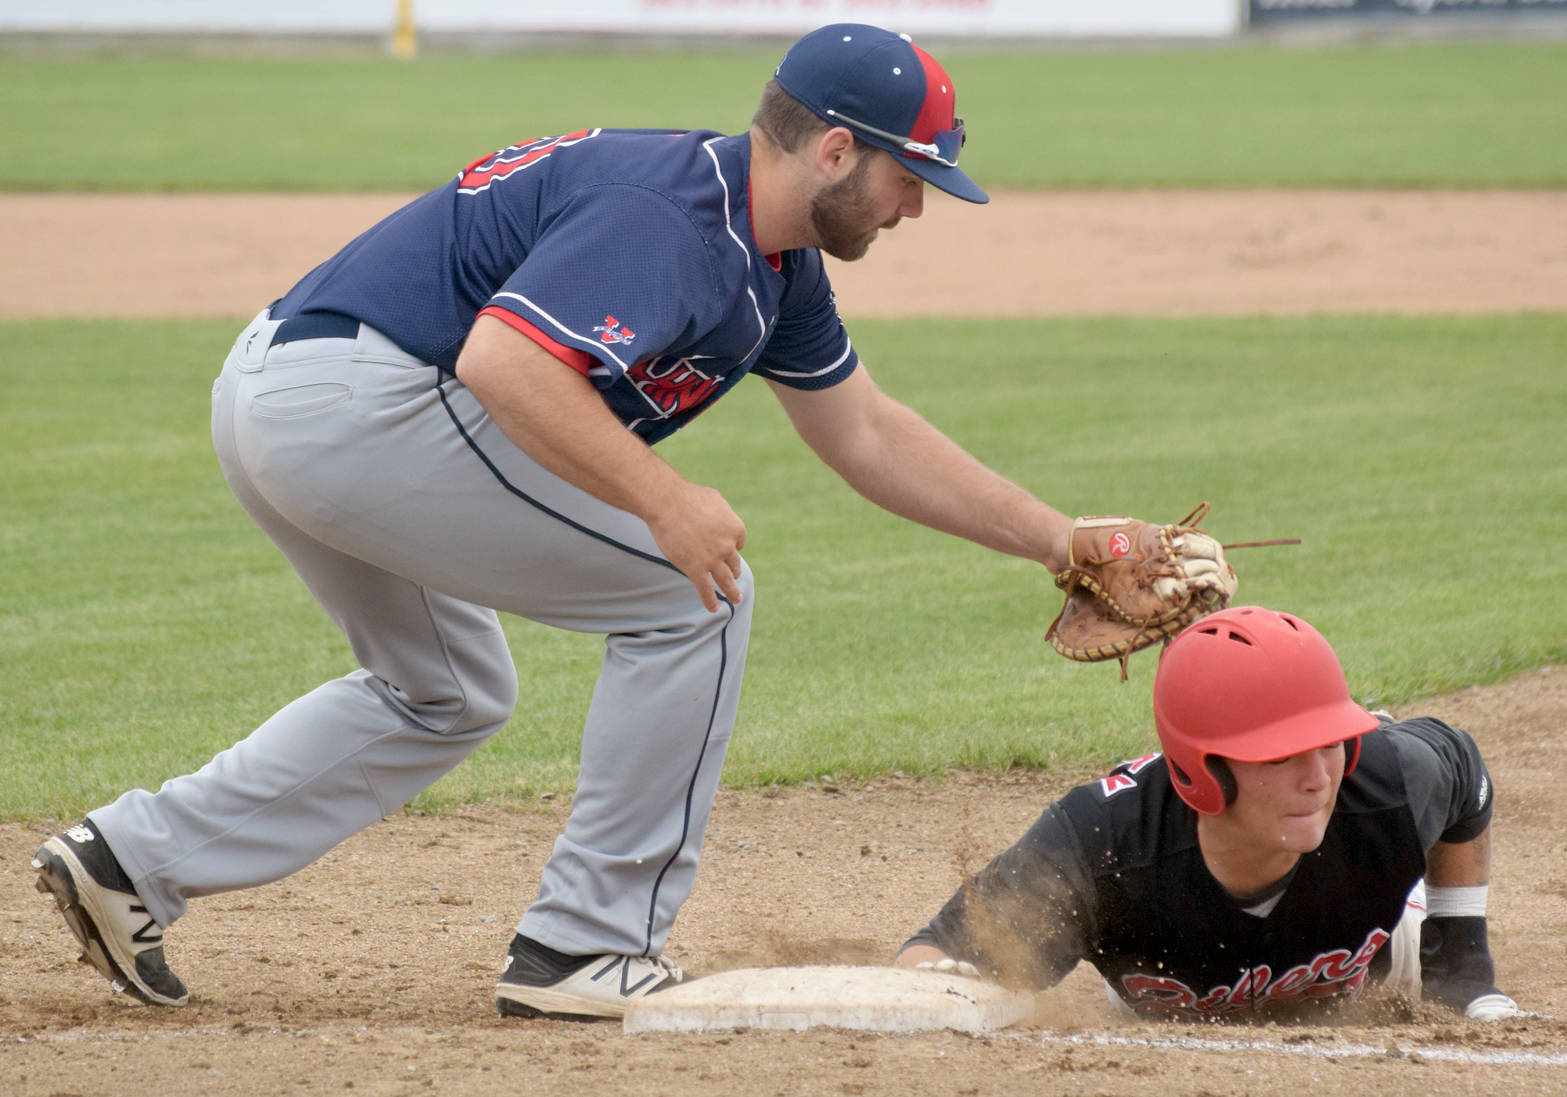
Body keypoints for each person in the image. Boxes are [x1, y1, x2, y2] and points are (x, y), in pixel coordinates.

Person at [31, 23, 1228, 1022]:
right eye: (909, 174)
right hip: (360, 401)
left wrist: (1060, 536)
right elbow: (507, 360)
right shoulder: (674, 215)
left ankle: (134, 858)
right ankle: (584, 944)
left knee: (445, 688)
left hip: (302, 392)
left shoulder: (772, 263)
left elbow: (862, 431)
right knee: (693, 591)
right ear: (832, 149)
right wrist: (666, 501)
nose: (917, 203)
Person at [897, 605, 1524, 1022]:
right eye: (1281, 756)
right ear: (1204, 772)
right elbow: (932, 958)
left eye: (1330, 743)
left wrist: (1462, 966)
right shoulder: (1098, 847)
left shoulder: (1385, 785)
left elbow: (1466, 771)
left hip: (1386, 944)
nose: (1317, 780)